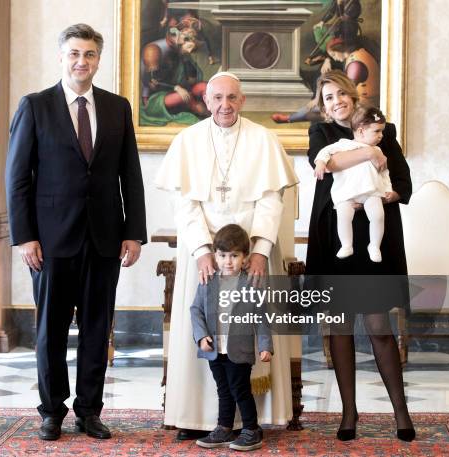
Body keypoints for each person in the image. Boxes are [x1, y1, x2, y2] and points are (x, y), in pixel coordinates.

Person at [5, 24, 147, 441]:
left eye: (89, 54)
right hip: (49, 242)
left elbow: (130, 176)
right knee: (50, 330)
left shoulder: (117, 108)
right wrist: (24, 236)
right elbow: (17, 180)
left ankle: (89, 411)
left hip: (105, 238)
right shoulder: (35, 106)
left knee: (97, 328)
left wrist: (133, 232)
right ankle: (51, 411)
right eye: (74, 54)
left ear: (98, 60)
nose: (81, 61)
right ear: (62, 57)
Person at [155, 71, 298, 439]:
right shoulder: (188, 141)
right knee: (206, 327)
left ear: (243, 100)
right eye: (217, 98)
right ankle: (200, 417)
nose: (225, 105)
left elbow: (271, 199)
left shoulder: (263, 139)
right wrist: (202, 251)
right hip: (204, 255)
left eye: (232, 98)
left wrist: (261, 250)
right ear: (207, 102)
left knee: (251, 327)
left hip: (251, 253)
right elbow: (184, 203)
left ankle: (254, 419)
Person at [306, 70, 415, 442]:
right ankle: (348, 413)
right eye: (328, 97)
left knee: (378, 327)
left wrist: (386, 196)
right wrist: (369, 151)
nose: (336, 101)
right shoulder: (321, 135)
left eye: (340, 93)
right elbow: (328, 165)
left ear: (352, 95)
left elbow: (403, 183)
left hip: (374, 244)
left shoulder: (384, 130)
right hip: (335, 240)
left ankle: (401, 411)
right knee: (339, 326)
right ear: (323, 106)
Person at [190, 224, 273, 451]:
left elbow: (262, 317)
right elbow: (195, 310)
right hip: (215, 349)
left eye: (234, 255)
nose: (228, 261)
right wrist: (201, 336)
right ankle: (224, 428)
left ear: (245, 258)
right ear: (215, 256)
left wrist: (266, 346)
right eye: (223, 255)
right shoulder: (208, 282)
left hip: (240, 350)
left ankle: (251, 430)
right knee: (223, 390)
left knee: (240, 389)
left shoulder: (251, 284)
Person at [314, 105, 392, 262]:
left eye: (381, 131)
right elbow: (324, 152)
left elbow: (384, 172)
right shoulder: (343, 144)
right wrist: (320, 163)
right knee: (343, 216)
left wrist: (388, 189)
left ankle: (375, 245)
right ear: (361, 131)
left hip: (371, 192)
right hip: (347, 193)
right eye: (377, 131)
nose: (381, 135)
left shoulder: (378, 151)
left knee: (378, 216)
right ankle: (346, 245)